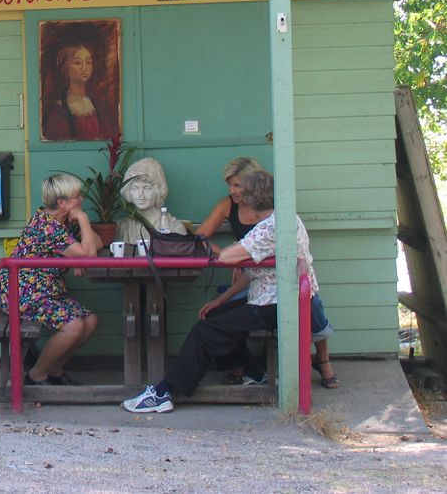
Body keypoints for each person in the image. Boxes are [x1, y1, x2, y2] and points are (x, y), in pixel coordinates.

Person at [122, 170, 320, 413]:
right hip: (278, 299)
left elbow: (226, 256)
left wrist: (219, 246)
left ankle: (165, 392)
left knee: (205, 331)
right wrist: (221, 300)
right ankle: (253, 373)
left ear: (250, 200)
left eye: (241, 193)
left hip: (275, 305)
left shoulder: (269, 228)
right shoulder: (286, 219)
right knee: (214, 316)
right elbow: (254, 272)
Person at [196, 157, 339, 388]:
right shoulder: (227, 205)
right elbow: (200, 238)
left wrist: (238, 257)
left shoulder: (275, 211)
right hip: (250, 276)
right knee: (217, 311)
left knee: (310, 299)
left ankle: (322, 361)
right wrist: (235, 259)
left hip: (277, 279)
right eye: (229, 185)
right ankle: (242, 368)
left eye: (237, 185)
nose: (232, 190)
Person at [0, 173, 102, 386]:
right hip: (23, 292)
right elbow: (88, 255)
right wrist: (83, 221)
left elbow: (97, 243)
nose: (81, 200)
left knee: (90, 321)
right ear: (62, 203)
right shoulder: (48, 226)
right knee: (74, 326)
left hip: (47, 291)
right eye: (76, 197)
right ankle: (36, 374)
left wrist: (81, 240)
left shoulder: (63, 221)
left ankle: (54, 370)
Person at [41, 42, 119, 142]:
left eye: (88, 62)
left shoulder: (99, 105)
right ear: (66, 68)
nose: (84, 68)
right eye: (77, 63)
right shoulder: (57, 111)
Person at [115, 157, 186, 246]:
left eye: (146, 188)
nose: (141, 195)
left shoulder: (174, 227)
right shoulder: (123, 228)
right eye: (135, 188)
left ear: (158, 190)